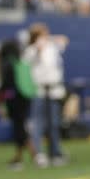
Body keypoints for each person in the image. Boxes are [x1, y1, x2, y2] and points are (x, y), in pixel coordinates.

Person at [24, 23, 68, 167]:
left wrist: (50, 40)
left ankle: (55, 153)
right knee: (38, 123)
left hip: (54, 90)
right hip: (40, 91)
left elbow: (64, 40)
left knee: (54, 123)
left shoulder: (51, 47)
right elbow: (27, 60)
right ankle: (39, 154)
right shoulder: (31, 50)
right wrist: (38, 48)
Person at [0, 39, 37, 169]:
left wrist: (1, 97)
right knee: (21, 127)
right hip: (25, 97)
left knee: (19, 128)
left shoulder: (7, 63)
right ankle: (23, 156)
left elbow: (6, 85)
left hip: (14, 99)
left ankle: (32, 155)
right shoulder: (19, 62)